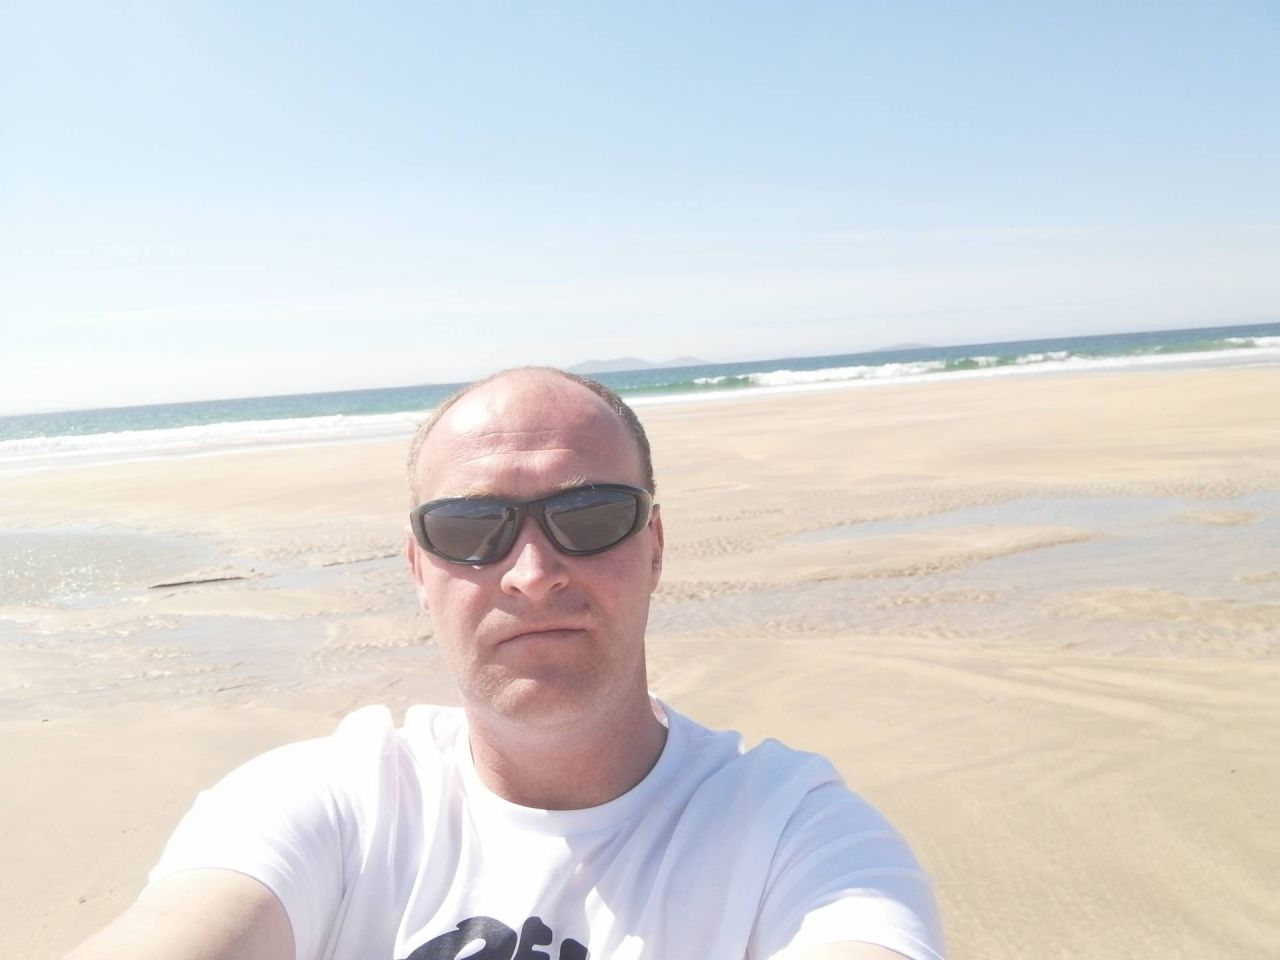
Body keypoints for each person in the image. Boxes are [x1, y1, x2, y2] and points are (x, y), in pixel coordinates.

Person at [65, 368, 944, 960]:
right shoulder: (330, 804)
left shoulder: (797, 836)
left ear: (654, 547)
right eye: (468, 528)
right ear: (419, 570)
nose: (531, 573)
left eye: (589, 516)